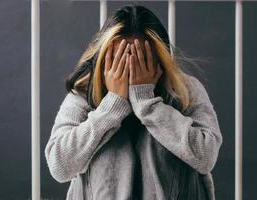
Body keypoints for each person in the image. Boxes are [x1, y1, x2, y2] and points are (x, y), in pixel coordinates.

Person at [44, 4, 223, 200]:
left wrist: (148, 104)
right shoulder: (85, 93)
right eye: (119, 59)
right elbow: (59, 165)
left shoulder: (185, 89)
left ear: (158, 60)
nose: (129, 68)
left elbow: (206, 157)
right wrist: (112, 106)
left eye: (141, 59)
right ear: (104, 58)